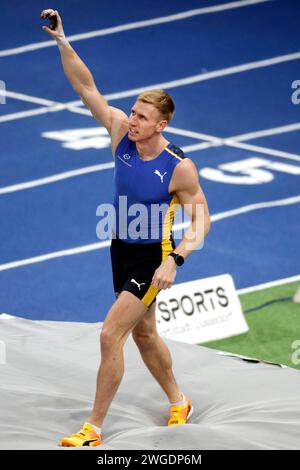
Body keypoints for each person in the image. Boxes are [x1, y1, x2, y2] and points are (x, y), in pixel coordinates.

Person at [41, 9, 211, 447]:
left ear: (162, 125)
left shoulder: (179, 167)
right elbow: (85, 86)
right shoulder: (119, 134)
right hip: (121, 248)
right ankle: (179, 400)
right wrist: (63, 40)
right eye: (132, 112)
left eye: (140, 116)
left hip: (154, 257)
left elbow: (202, 218)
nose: (131, 119)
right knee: (144, 332)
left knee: (110, 332)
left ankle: (93, 429)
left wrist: (175, 261)